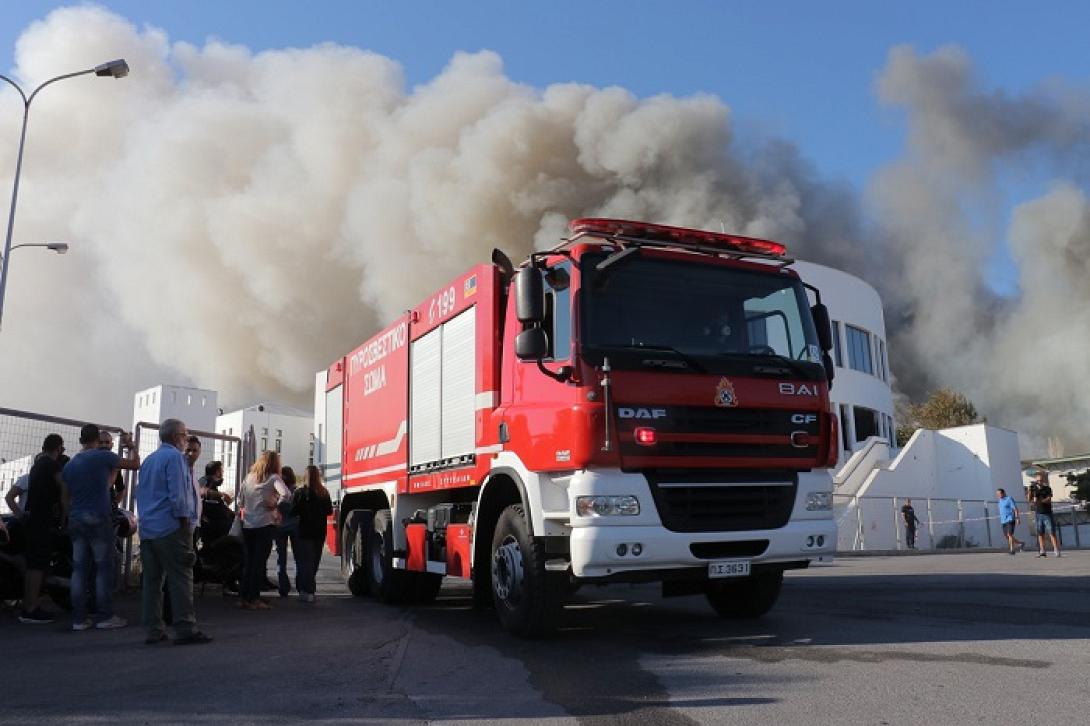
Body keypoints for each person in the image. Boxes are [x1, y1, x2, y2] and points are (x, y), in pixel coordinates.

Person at [136, 418, 212, 645]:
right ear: (175, 437)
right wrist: (184, 525)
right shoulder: (175, 459)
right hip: (170, 527)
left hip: (148, 528)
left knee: (152, 582)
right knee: (180, 578)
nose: (187, 439)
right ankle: (185, 628)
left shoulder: (149, 460)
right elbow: (179, 495)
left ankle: (153, 629)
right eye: (185, 435)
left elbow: (142, 493)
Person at [62, 424, 140, 631]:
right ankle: (104, 616)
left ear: (81, 440)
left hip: (76, 518)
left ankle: (79, 619)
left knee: (79, 569)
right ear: (97, 439)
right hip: (98, 517)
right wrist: (131, 445)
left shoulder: (70, 464)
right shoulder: (104, 457)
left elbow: (65, 496)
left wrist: (67, 516)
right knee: (103, 568)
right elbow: (135, 464)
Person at [17, 434, 65, 624]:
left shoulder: (37, 465)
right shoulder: (52, 465)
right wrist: (64, 514)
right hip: (42, 521)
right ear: (58, 448)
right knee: (38, 566)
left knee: (32, 565)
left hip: (31, 519)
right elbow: (64, 488)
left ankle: (28, 605)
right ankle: (32, 608)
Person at [238, 451, 290, 610]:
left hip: (248, 524)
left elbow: (240, 499)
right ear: (275, 463)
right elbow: (286, 493)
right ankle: (254, 599)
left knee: (249, 562)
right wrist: (275, 505)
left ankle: (244, 597)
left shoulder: (248, 477)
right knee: (259, 563)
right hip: (265, 524)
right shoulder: (274, 478)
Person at [292, 465, 333, 603]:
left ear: (305, 476)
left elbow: (293, 510)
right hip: (320, 531)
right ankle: (310, 589)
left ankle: (306, 590)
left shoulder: (300, 492)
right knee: (315, 562)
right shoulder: (324, 492)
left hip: (304, 530)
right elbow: (329, 511)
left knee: (305, 562)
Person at [273, 465, 301, 597]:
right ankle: (300, 585)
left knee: (281, 558)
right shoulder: (296, 491)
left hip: (280, 526)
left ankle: (283, 588)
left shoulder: (277, 491)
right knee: (297, 557)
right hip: (295, 525)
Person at [1030, 472, 1062, 558]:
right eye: (1037, 481)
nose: (1039, 482)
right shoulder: (1033, 489)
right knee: (1040, 533)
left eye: (1040, 480)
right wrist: (1031, 493)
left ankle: (1056, 550)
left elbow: (1049, 498)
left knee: (1051, 532)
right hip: (1038, 513)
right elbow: (1030, 500)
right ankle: (1042, 550)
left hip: (1047, 513)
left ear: (1043, 480)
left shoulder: (1047, 488)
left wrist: (1040, 501)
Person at [996, 488, 1025, 555]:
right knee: (1007, 536)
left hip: (1010, 519)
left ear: (1003, 493)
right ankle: (1020, 543)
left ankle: (1012, 550)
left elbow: (1015, 509)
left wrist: (1017, 518)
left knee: (1009, 534)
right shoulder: (1000, 501)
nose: (998, 495)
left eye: (999, 493)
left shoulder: (1009, 499)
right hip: (1003, 521)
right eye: (997, 494)